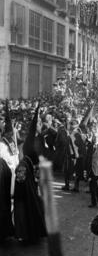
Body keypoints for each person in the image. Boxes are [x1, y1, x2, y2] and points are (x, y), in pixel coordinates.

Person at [13, 105, 47, 244]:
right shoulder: (28, 162)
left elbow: (20, 181)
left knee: (24, 213)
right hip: (30, 191)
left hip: (24, 195)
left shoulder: (23, 163)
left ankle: (26, 234)